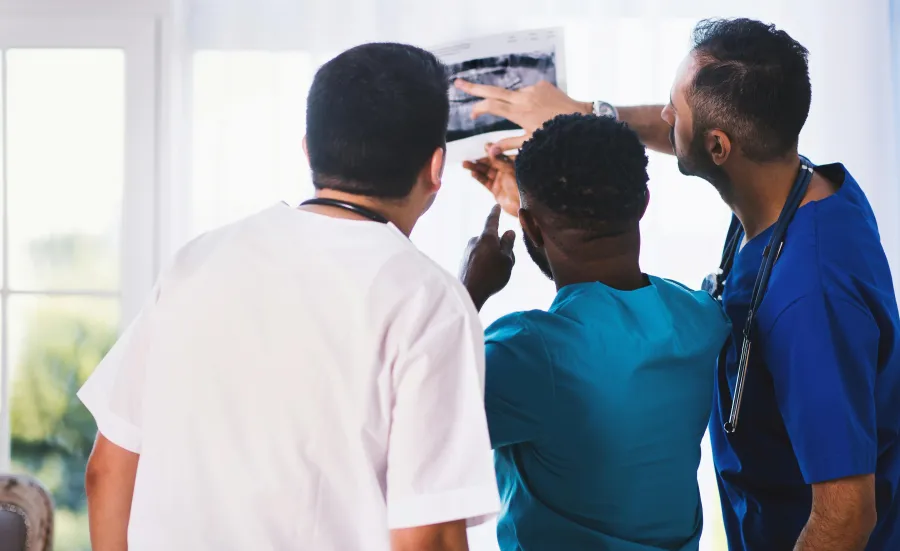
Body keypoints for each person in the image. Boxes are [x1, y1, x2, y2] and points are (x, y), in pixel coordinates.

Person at [457, 17, 900, 551]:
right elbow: (607, 277)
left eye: (674, 108)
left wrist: (470, 289)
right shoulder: (805, 191)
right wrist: (587, 133)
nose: (662, 116)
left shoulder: (811, 295)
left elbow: (847, 515)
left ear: (719, 147)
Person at [79, 43, 500, 551]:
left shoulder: (197, 261)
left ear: (308, 150)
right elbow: (426, 535)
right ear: (437, 168)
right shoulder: (431, 301)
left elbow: (107, 470)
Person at [459, 113, 731, 550]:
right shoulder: (701, 320)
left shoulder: (531, 353)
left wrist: (466, 291)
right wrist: (540, 213)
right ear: (643, 202)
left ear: (528, 225)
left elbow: (416, 418)